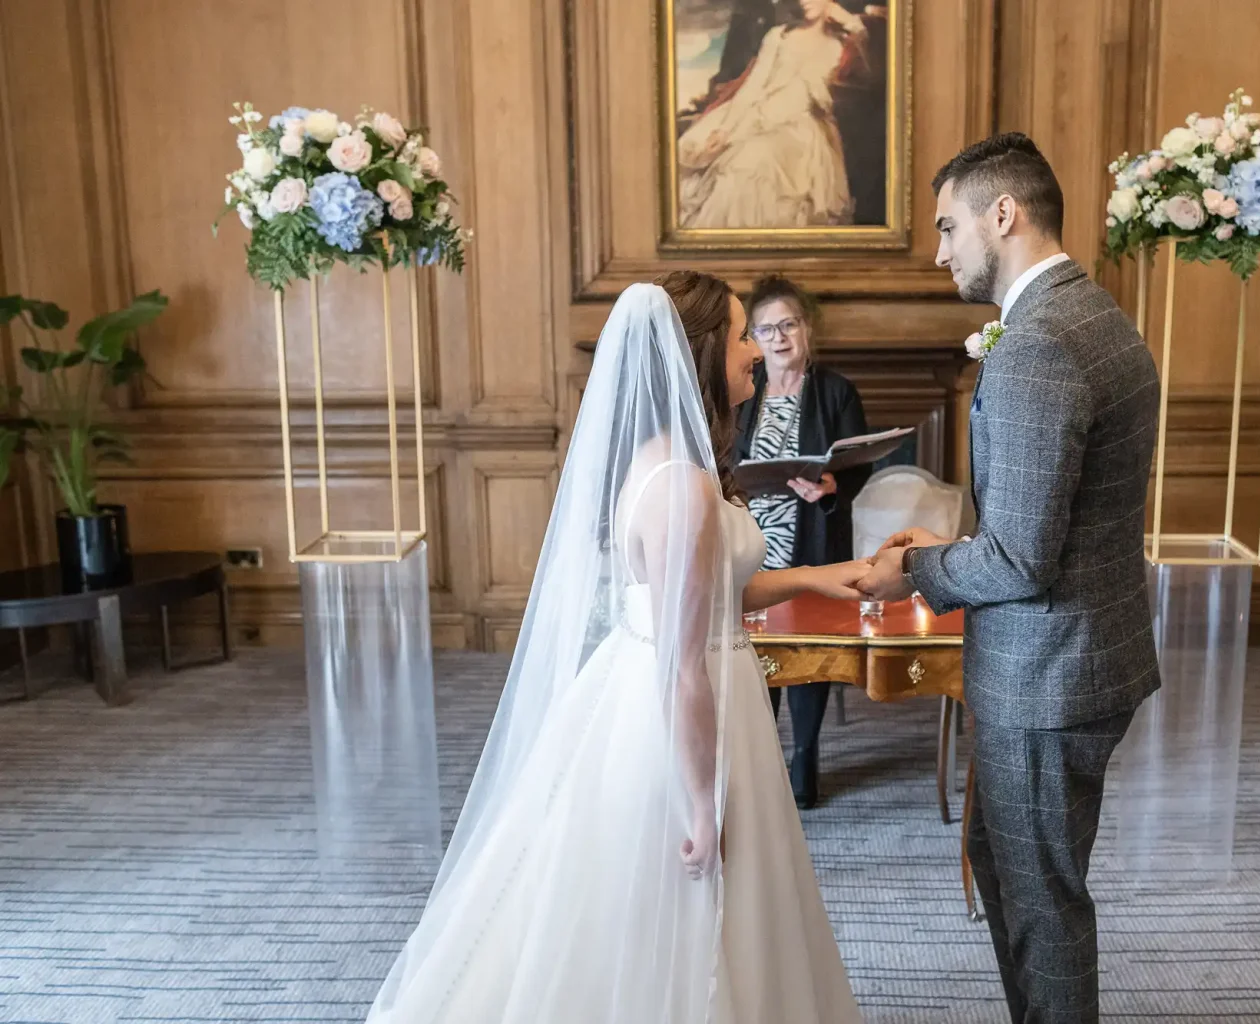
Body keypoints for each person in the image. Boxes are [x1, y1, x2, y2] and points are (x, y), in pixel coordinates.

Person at [367, 272, 865, 1024]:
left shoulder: (677, 465)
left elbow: (715, 596)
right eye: (738, 339)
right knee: (681, 904)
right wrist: (703, 804)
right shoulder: (684, 488)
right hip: (683, 709)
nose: (752, 357)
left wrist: (836, 575)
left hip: (682, 687)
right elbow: (683, 662)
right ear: (700, 355)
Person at [858, 134, 1163, 1023]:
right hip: (1082, 652)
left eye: (949, 227)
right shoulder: (1094, 313)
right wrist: (949, 542)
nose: (941, 250)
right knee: (1010, 871)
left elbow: (1023, 561)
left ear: (1005, 214)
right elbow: (1043, 522)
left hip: (1046, 675)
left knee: (1040, 905)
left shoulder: (1037, 343)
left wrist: (913, 570)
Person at [734, 274, 870, 809]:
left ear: (806, 328)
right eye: (765, 329)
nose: (779, 337)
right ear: (754, 339)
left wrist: (832, 484)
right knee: (754, 651)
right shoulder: (744, 393)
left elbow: (859, 463)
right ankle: (761, 755)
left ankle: (804, 755)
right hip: (754, 538)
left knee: (809, 649)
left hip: (812, 536)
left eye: (788, 324)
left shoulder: (836, 391)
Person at [676, 0, 879, 229]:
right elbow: (752, 88)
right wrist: (725, 130)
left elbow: (874, 72)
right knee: (731, 163)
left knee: (755, 160)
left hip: (801, 129)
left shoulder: (843, 43)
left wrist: (851, 22)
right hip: (755, 117)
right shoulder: (779, 36)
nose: (803, 2)